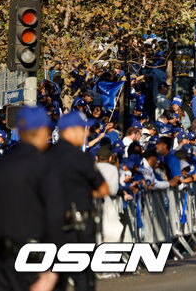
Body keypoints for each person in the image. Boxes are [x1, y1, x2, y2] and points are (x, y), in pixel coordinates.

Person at [0, 106, 64, 291]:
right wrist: (52, 270)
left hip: (1, 262)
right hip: (33, 261)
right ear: (43, 130)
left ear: (18, 130)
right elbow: (55, 218)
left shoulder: (2, 166)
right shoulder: (46, 167)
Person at [49, 111, 109, 291]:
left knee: (56, 277)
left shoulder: (47, 155)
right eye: (84, 129)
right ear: (72, 130)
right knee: (83, 278)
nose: (86, 133)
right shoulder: (80, 157)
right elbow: (103, 189)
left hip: (52, 225)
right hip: (79, 226)